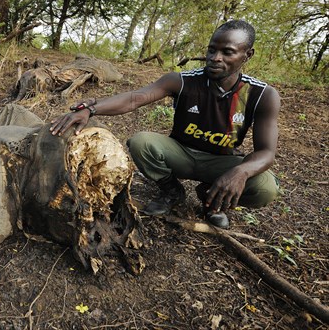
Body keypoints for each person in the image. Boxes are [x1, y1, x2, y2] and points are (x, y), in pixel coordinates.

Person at [49, 20, 280, 228]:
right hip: (180, 153)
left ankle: (212, 198)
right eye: (212, 50)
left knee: (265, 188)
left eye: (227, 52)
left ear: (247, 55)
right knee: (142, 142)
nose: (215, 58)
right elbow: (134, 99)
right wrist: (90, 109)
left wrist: (239, 172)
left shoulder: (262, 95)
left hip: (221, 161)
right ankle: (172, 191)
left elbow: (266, 152)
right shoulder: (182, 81)